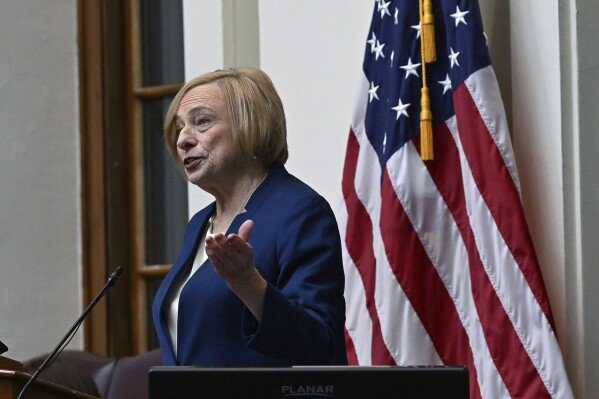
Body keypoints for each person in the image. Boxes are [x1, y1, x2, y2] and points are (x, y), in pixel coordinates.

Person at [152, 68, 347, 366]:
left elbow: (321, 343)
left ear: (250, 124)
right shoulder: (200, 223)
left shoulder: (299, 211)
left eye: (201, 122)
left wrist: (248, 284)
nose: (182, 140)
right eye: (179, 127)